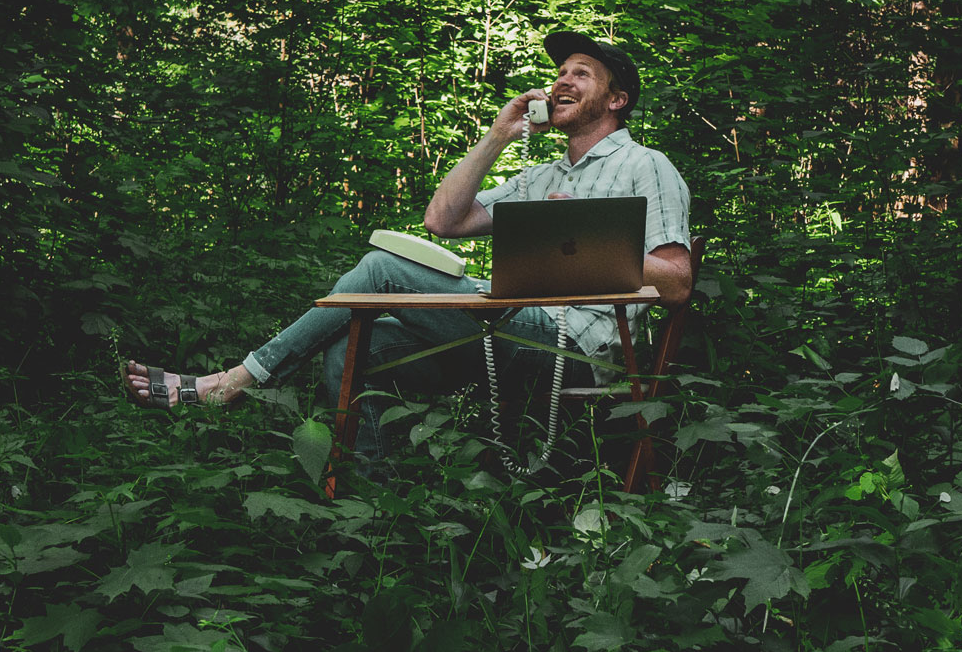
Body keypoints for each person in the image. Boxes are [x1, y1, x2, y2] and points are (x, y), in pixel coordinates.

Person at [124, 32, 692, 459]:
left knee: (381, 269)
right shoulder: (540, 178)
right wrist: (499, 132)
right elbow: (444, 220)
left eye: (582, 74)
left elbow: (675, 280)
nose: (560, 82)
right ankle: (369, 510)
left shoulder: (646, 166)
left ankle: (233, 383)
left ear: (616, 99)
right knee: (352, 350)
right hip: (509, 328)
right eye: (559, 73)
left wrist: (584, 242)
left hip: (577, 353)